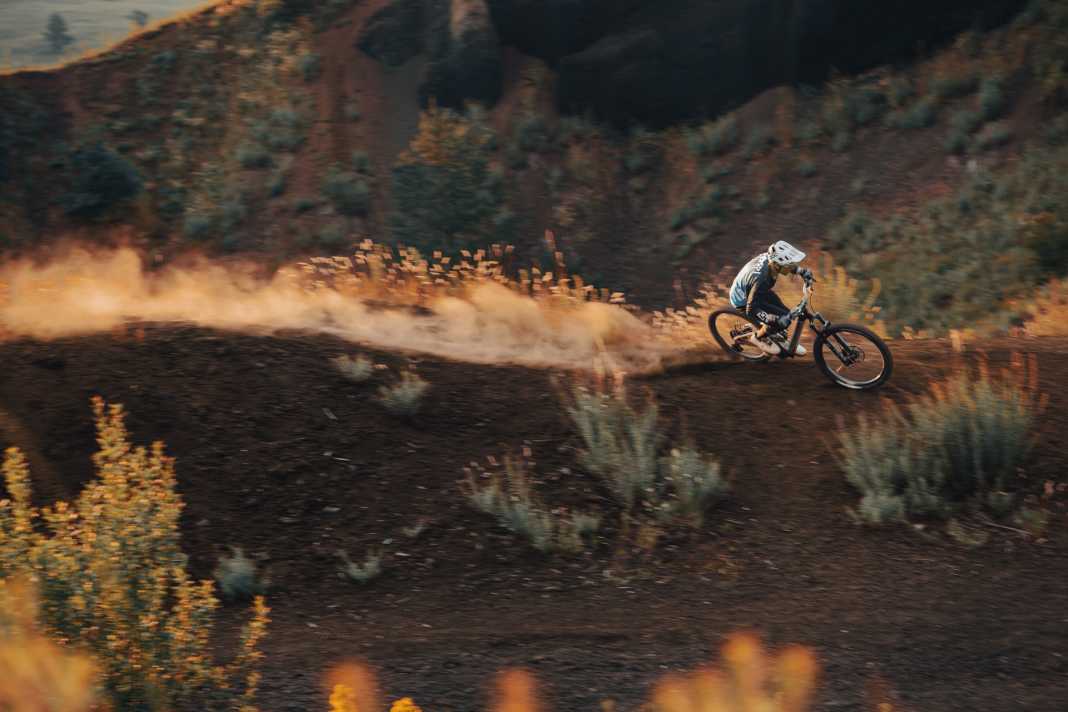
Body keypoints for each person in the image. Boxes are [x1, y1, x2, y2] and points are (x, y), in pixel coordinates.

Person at [728, 241, 813, 356]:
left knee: (785, 314)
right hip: (743, 299)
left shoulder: (772, 262)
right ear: (777, 265)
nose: (791, 266)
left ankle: (764, 331)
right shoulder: (762, 279)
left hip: (754, 290)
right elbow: (751, 309)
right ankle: (757, 338)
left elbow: (785, 263)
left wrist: (801, 271)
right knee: (778, 321)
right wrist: (769, 319)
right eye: (789, 265)